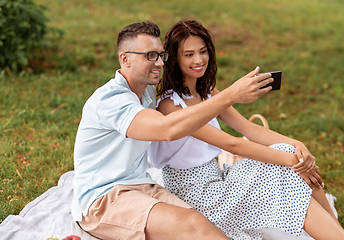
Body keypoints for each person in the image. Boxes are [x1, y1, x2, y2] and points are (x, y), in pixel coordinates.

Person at [148, 20, 344, 240]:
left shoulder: (205, 90)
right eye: (188, 54)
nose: (198, 60)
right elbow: (231, 144)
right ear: (175, 59)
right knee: (287, 165)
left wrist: (297, 146)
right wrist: (292, 161)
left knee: (290, 157)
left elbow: (248, 129)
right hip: (196, 196)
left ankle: (339, 233)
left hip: (218, 180)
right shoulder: (170, 105)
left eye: (203, 51)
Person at [71, 21, 276, 240]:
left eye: (160, 55)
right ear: (125, 59)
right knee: (193, 224)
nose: (159, 62)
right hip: (103, 199)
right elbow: (166, 129)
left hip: (143, 186)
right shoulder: (111, 100)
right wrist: (230, 95)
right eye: (150, 55)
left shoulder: (147, 90)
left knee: (211, 224)